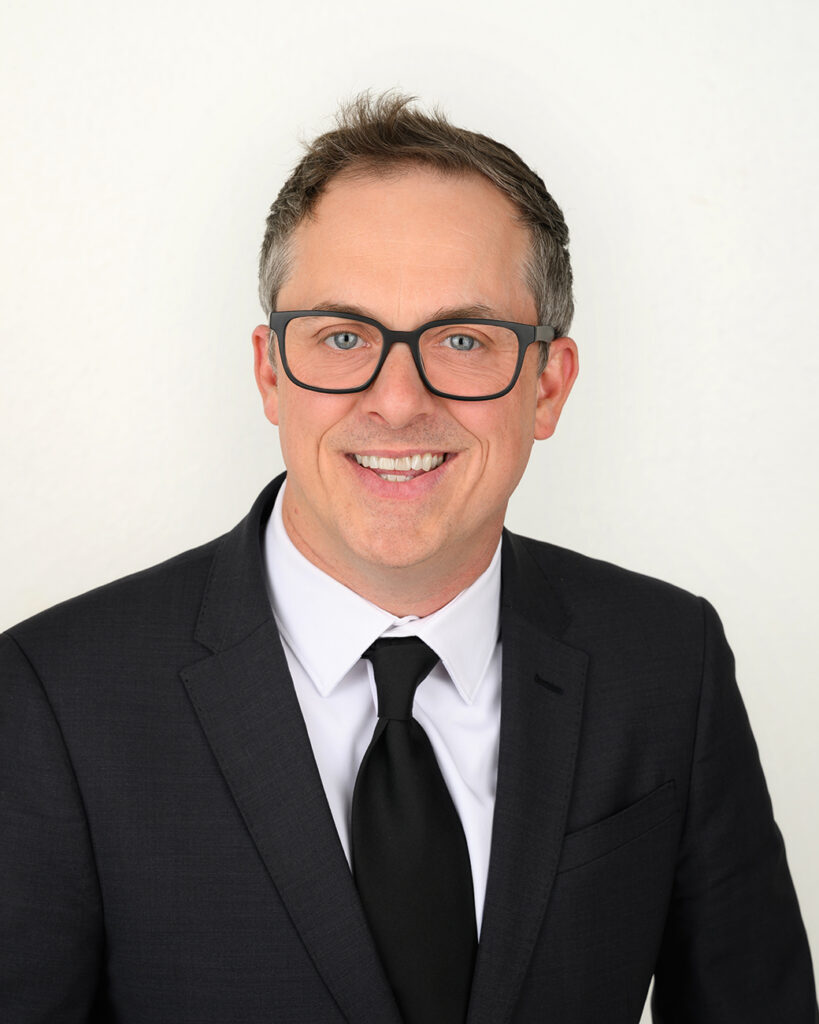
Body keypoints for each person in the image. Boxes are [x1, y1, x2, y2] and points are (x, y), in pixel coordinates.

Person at [1, 92, 816, 1024]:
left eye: (462, 339)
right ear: (271, 373)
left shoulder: (668, 661)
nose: (396, 402)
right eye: (343, 337)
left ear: (547, 387)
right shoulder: (53, 695)